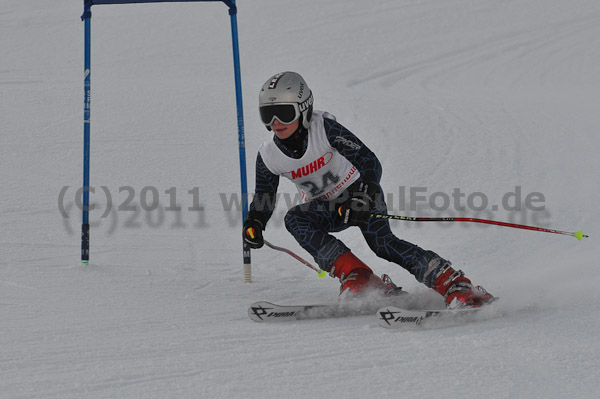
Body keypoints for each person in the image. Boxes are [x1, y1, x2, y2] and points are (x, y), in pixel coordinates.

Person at [242, 71, 494, 309]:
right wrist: (254, 222)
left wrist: (364, 195)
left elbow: (368, 160)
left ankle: (454, 284)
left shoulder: (323, 129)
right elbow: (264, 197)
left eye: (284, 113)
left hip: (360, 194)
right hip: (328, 208)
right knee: (296, 219)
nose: (276, 123)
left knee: (382, 243)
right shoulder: (269, 155)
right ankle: (359, 277)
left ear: (304, 109)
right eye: (268, 115)